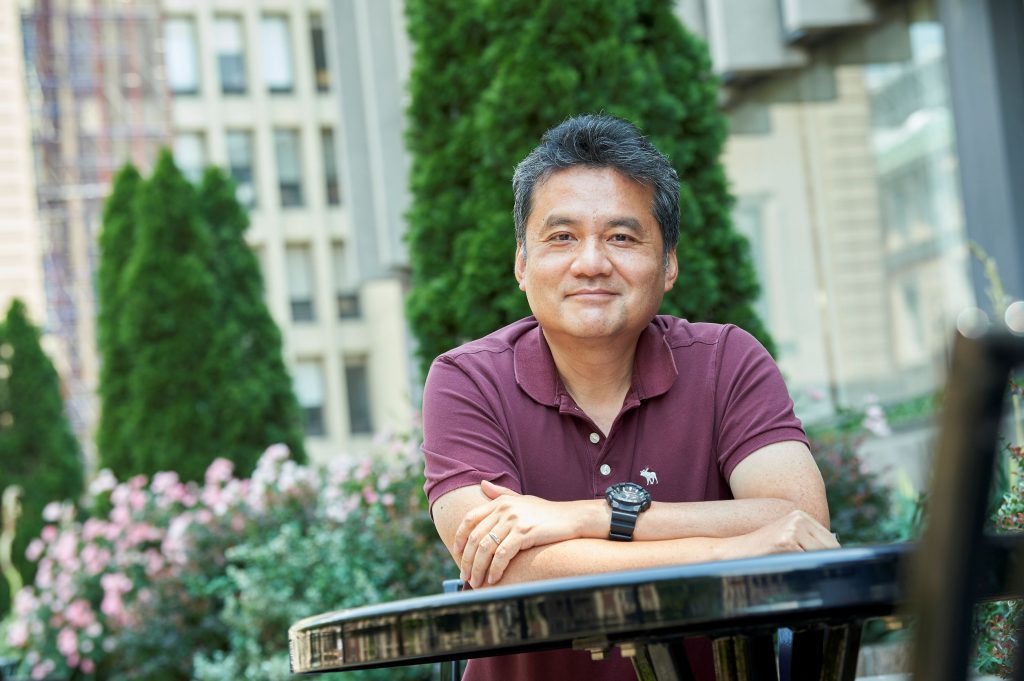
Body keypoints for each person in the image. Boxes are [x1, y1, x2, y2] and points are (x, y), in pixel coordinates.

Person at [421, 113, 838, 680]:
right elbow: (510, 568)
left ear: (667, 264)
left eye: (621, 237)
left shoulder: (727, 361)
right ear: (522, 263)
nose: (591, 263)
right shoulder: (466, 380)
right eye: (562, 237)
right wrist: (728, 549)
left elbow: (798, 522)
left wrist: (585, 518)